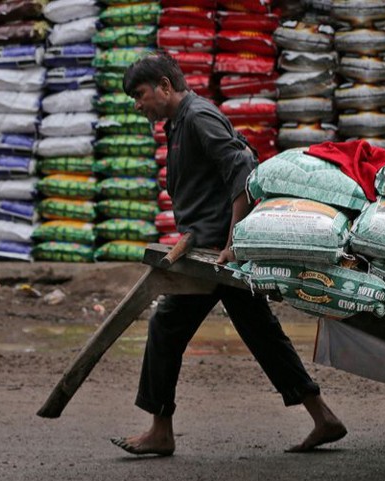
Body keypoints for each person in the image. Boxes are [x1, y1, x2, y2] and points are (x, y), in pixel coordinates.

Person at [110, 53, 347, 456]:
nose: (137, 104)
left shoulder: (199, 117)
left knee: (166, 326)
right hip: (206, 249)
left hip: (216, 256)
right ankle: (322, 416)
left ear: (165, 86)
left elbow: (243, 171)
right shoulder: (179, 123)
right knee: (261, 333)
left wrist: (234, 242)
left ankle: (160, 430)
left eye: (140, 94)